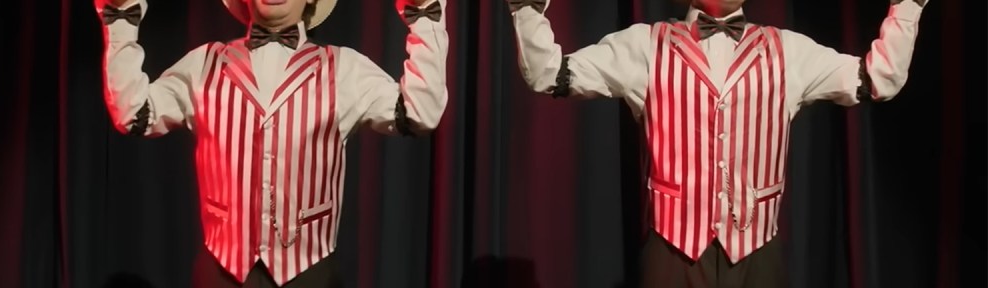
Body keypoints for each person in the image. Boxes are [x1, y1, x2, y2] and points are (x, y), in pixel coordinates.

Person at [504, 0, 927, 286]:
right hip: (672, 251)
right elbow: (551, 75)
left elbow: (876, 81)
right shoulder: (644, 46)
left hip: (757, 253)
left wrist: (907, 6)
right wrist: (526, 8)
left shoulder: (789, 52)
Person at [94, 0, 448, 286]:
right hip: (221, 272)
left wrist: (424, 18)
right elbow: (133, 114)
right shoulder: (204, 64)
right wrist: (121, 20)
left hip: (311, 274)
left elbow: (420, 114)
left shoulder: (344, 69)